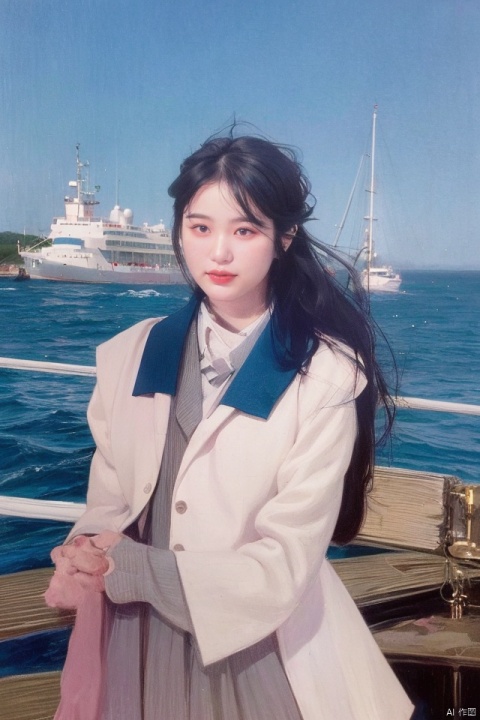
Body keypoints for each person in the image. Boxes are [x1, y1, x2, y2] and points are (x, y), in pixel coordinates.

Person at [46, 133, 414, 720]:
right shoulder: (128, 355)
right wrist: (87, 544)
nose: (218, 253)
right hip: (134, 640)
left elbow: (285, 563)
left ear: (283, 238)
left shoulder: (323, 376)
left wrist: (134, 566)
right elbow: (111, 495)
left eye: (244, 231)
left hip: (260, 651)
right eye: (199, 228)